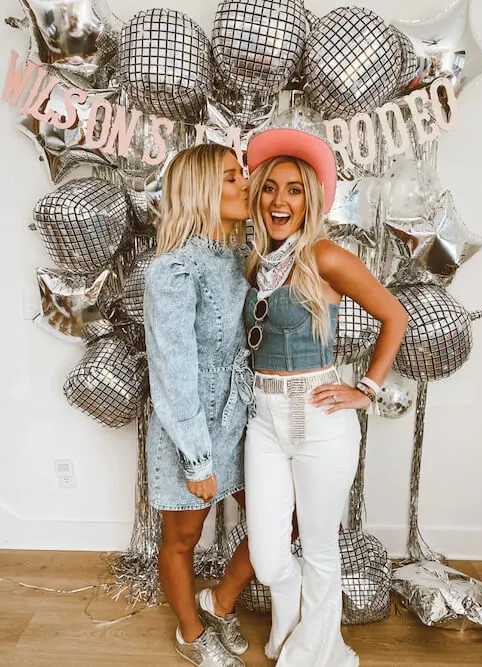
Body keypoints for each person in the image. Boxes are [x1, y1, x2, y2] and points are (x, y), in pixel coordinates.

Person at [243, 124, 408, 666]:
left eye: (293, 189)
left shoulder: (327, 257)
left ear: (309, 199)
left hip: (319, 416)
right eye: (270, 187)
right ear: (258, 194)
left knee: (318, 547)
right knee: (269, 560)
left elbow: (395, 316)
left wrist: (367, 389)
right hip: (263, 418)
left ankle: (314, 654)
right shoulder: (254, 263)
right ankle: (291, 612)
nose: (279, 200)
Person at [144, 144, 255, 667]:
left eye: (242, 175)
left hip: (240, 412)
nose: (246, 186)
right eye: (232, 178)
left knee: (278, 519)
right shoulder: (174, 268)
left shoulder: (235, 254)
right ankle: (191, 633)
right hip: (191, 421)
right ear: (203, 189)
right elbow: (174, 371)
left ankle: (221, 600)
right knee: (185, 534)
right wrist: (197, 456)